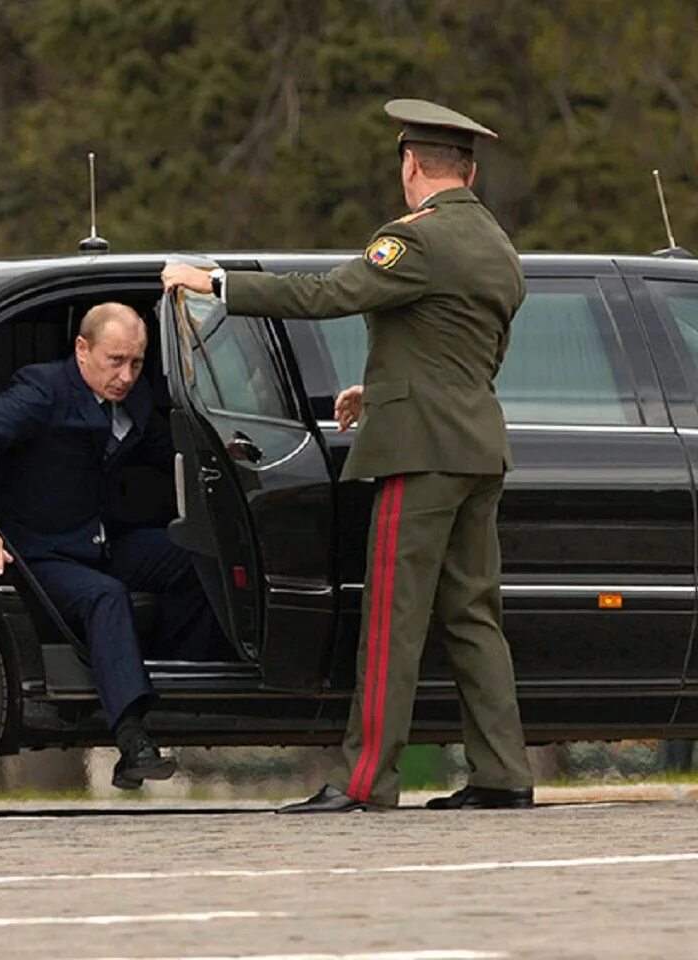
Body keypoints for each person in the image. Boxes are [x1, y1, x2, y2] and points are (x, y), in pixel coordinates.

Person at [162, 98, 534, 813]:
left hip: (418, 451)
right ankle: (503, 774)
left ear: (411, 165)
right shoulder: (495, 244)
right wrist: (386, 383)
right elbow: (472, 349)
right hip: (477, 446)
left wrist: (215, 283)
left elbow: (330, 292)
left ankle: (367, 782)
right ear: (472, 170)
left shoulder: (414, 240)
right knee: (474, 617)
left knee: (393, 620)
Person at [0, 302, 229, 790]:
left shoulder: (134, 398)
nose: (125, 375)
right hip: (41, 553)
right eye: (115, 360)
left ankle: (165, 681)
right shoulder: (45, 390)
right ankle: (132, 739)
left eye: (136, 363)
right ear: (82, 350)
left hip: (98, 540)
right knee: (105, 597)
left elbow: (174, 452)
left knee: (194, 554)